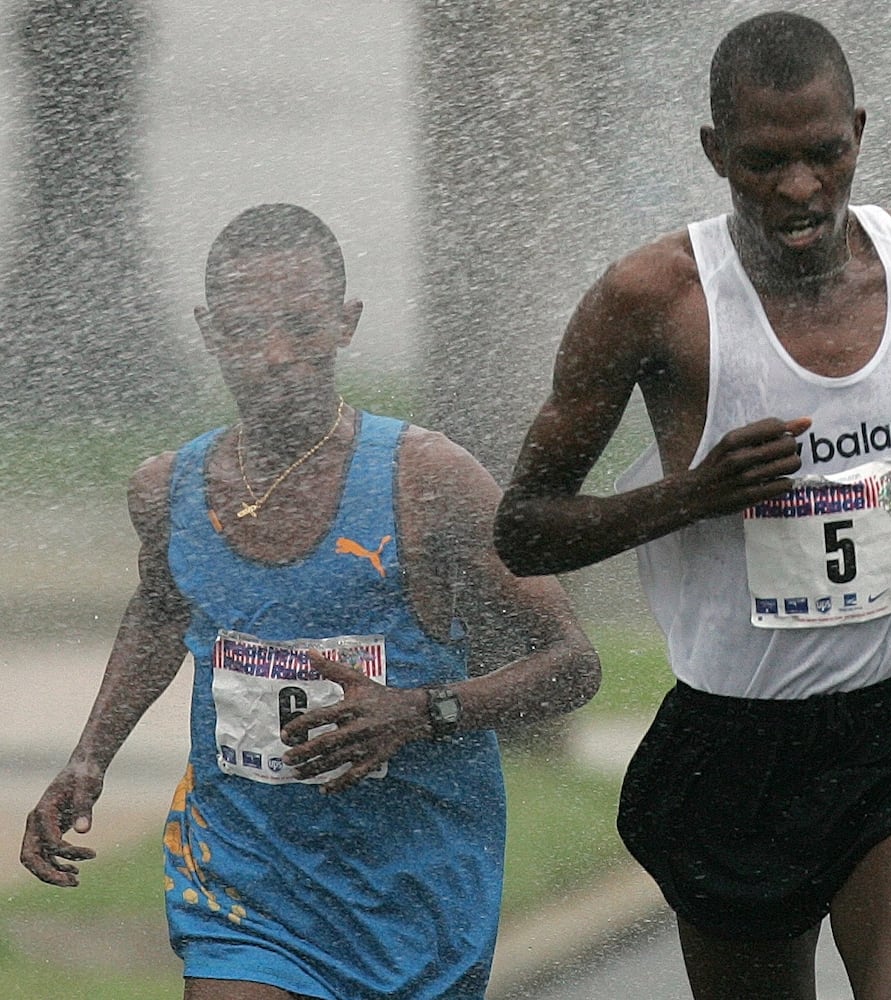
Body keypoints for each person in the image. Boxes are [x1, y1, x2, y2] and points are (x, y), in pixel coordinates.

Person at [494, 12, 891, 1000]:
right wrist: (691, 494)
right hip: (735, 742)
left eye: (823, 154)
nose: (798, 189)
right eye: (763, 161)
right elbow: (522, 527)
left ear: (857, 131)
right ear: (713, 152)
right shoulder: (653, 300)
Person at [20, 203, 601, 1000]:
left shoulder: (426, 479)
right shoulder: (170, 490)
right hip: (244, 877)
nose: (275, 354)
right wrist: (89, 759)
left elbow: (573, 664)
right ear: (208, 331)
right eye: (245, 328)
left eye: (300, 325)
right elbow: (160, 610)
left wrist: (422, 711)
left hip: (414, 886)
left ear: (345, 324)